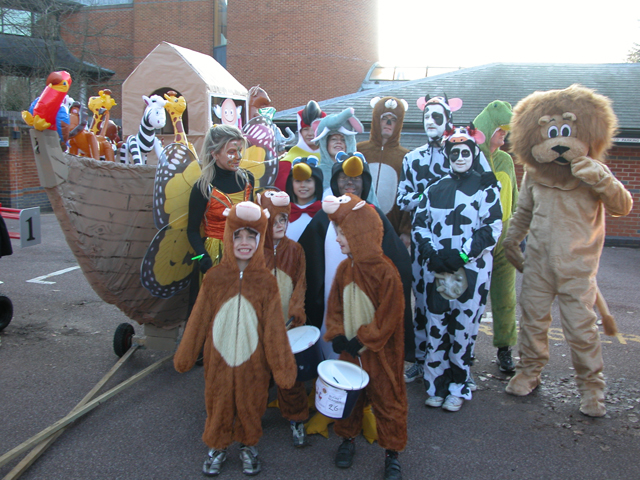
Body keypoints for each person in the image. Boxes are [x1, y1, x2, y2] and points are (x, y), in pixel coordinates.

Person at [174, 201, 297, 476]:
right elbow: (198, 319)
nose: (244, 242)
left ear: (259, 237)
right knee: (217, 402)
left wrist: (282, 366)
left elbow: (275, 328)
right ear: (228, 237)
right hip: (218, 360)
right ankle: (217, 445)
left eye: (251, 235)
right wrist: (186, 353)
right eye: (237, 235)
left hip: (254, 364)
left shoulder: (266, 281)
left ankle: (247, 444)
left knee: (251, 404)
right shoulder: (214, 278)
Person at [412, 126, 502, 412]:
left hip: (471, 272)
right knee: (436, 328)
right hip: (438, 271)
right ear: (447, 156)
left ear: (474, 155)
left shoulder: (486, 189)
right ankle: (434, 385)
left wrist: (462, 255)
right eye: (455, 153)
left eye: (466, 153)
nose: (460, 157)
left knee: (462, 332)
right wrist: (432, 254)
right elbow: (419, 224)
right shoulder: (434, 189)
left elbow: (492, 228)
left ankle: (457, 386)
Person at [322, 193, 407, 480]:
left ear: (359, 232)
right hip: (351, 354)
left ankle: (391, 452)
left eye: (343, 233)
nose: (337, 240)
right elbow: (334, 306)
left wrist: (364, 339)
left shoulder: (386, 272)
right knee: (350, 400)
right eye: (337, 233)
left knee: (388, 401)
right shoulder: (345, 269)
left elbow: (390, 314)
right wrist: (336, 334)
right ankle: (347, 439)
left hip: (381, 355)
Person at [257, 189, 310, 447]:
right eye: (274, 220)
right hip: (260, 329)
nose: (279, 225)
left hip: (287, 328)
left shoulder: (296, 250)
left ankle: (297, 418)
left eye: (284, 220)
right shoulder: (255, 250)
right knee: (256, 374)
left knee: (289, 375)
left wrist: (296, 311)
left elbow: (301, 285)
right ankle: (250, 414)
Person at [473, 101, 519, 373]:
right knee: (471, 298)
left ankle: (505, 348)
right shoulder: (469, 159)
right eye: (501, 129)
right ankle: (464, 347)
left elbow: (514, 198)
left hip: (504, 239)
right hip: (477, 241)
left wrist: (516, 231)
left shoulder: (506, 160)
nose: (505, 134)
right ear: (488, 129)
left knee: (505, 297)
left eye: (506, 129)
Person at [187, 125, 254, 277]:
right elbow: (192, 231)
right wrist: (201, 256)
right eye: (231, 152)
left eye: (240, 151)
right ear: (215, 153)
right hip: (215, 256)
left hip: (245, 252)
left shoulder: (247, 180)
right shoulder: (203, 187)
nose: (238, 157)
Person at [357, 96, 411, 244]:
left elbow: (410, 193)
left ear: (398, 123)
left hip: (392, 229)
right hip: (359, 225)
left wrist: (406, 230)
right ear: (376, 120)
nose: (388, 123)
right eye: (384, 118)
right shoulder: (359, 151)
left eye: (393, 119)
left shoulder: (406, 157)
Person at [311, 108, 379, 207]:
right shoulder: (318, 173)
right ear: (325, 143)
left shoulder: (360, 170)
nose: (338, 142)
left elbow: (372, 202)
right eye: (333, 139)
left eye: (343, 139)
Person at [275, 100, 325, 190]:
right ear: (300, 131)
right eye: (306, 129)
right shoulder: (287, 162)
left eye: (314, 129)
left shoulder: (331, 157)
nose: (310, 133)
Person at [284, 156, 324, 242]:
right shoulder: (283, 212)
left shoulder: (325, 213)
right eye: (298, 181)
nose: (302, 185)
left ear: (316, 183)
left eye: (308, 180)